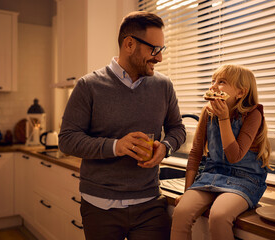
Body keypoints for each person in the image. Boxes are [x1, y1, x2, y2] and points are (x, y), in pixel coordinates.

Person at [59, 11, 186, 240]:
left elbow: (178, 129)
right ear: (129, 44)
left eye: (161, 50)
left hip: (149, 205)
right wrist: (116, 146)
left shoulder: (164, 86)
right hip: (99, 207)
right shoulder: (89, 86)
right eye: (154, 50)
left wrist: (165, 147)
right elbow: (67, 140)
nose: (159, 58)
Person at [170, 64, 271, 240]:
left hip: (245, 179)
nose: (213, 86)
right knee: (181, 211)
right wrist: (188, 190)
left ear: (240, 93)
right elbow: (195, 153)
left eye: (221, 82)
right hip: (212, 174)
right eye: (213, 81)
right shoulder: (207, 112)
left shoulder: (253, 115)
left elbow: (234, 156)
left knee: (218, 216)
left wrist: (224, 118)